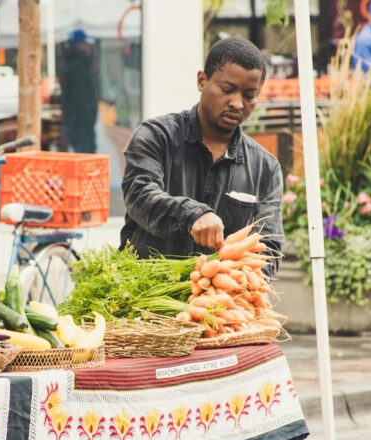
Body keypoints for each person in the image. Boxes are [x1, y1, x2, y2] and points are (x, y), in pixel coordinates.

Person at [120, 37, 283, 276]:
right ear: (201, 80)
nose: (237, 103)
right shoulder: (156, 136)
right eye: (227, 90)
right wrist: (192, 215)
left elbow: (268, 247)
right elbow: (140, 195)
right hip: (142, 290)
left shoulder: (265, 168)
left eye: (249, 95)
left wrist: (238, 282)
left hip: (220, 297)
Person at [59, 28, 99, 154]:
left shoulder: (76, 63)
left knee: (86, 155)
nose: (88, 46)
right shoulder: (76, 66)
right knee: (86, 157)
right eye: (85, 43)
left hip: (80, 122)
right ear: (78, 45)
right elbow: (79, 98)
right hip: (80, 122)